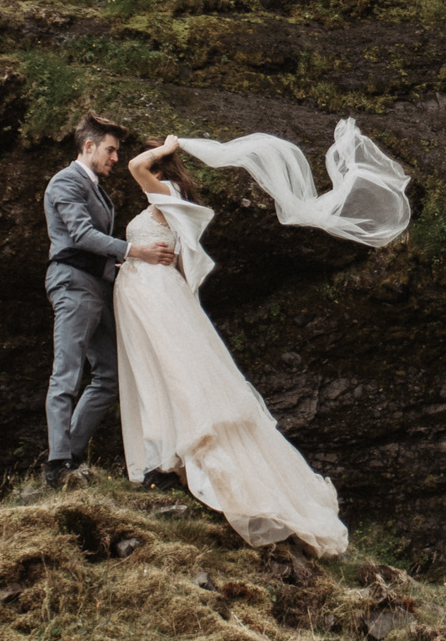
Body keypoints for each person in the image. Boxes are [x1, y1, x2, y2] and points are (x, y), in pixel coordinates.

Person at [113, 121, 412, 557]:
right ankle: (164, 457)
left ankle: (171, 459)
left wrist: (167, 147)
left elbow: (136, 166)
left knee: (172, 374)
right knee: (160, 374)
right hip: (152, 295)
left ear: (161, 165)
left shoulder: (163, 191)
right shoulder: (168, 200)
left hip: (156, 297)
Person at [41, 114, 177, 486]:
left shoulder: (95, 188)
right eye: (111, 150)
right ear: (89, 146)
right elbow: (82, 235)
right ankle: (56, 464)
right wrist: (136, 252)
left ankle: (71, 452)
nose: (115, 158)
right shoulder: (66, 181)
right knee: (67, 371)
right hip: (73, 284)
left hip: (98, 287)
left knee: (111, 375)